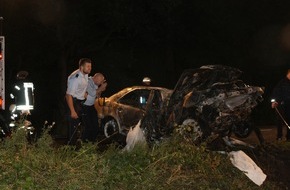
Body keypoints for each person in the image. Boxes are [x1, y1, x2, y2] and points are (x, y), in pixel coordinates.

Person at [66, 58, 92, 146]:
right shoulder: (75, 78)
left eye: (90, 66)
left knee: (82, 126)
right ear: (81, 67)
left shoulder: (85, 74)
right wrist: (72, 111)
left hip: (80, 103)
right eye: (87, 66)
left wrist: (84, 93)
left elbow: (82, 86)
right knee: (73, 129)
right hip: (73, 103)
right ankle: (71, 151)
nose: (89, 68)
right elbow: (68, 95)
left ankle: (79, 146)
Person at [82, 73, 107, 142]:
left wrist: (101, 89)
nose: (101, 83)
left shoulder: (95, 84)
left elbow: (97, 96)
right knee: (88, 126)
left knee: (96, 126)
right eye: (100, 81)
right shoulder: (88, 81)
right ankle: (84, 142)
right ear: (96, 78)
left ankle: (92, 142)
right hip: (85, 106)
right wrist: (101, 88)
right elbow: (92, 93)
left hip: (91, 106)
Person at [271, 69, 290, 141]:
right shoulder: (282, 82)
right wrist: (274, 101)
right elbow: (275, 92)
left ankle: (289, 137)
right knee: (280, 121)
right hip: (280, 104)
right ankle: (279, 137)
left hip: (289, 105)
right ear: (288, 74)